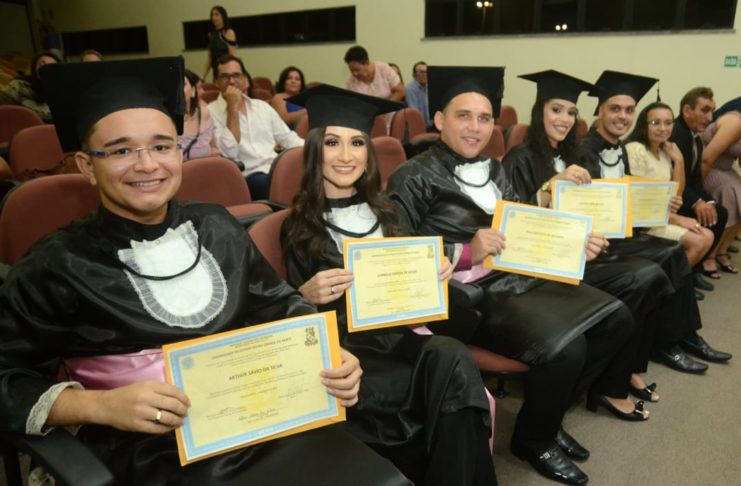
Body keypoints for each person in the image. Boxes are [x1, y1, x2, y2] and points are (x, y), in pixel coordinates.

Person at [0, 57, 411, 486]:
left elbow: (279, 303)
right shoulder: (58, 263)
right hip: (154, 446)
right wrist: (97, 406)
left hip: (260, 414)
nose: (147, 165)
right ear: (87, 166)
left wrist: (329, 352)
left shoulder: (216, 226)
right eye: (121, 150)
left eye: (162, 146)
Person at [387, 66, 636, 486]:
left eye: (485, 118)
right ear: (440, 120)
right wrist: (466, 250)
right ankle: (534, 438)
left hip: (514, 277)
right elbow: (396, 256)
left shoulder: (495, 168)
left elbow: (524, 226)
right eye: (464, 116)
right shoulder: (411, 176)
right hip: (463, 296)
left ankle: (547, 413)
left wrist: (574, 241)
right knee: (567, 350)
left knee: (617, 320)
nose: (475, 127)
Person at [281, 84, 496, 486]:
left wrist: (431, 272)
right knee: (450, 392)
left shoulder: (388, 212)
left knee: (451, 356)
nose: (346, 156)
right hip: (351, 352)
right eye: (332, 143)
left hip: (399, 336)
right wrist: (303, 294)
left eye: (357, 143)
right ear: (314, 151)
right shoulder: (299, 226)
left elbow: (410, 277)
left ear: (368, 152)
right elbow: (290, 319)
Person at [504, 70, 674, 408]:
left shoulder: (573, 156)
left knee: (650, 274)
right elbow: (513, 225)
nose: (564, 119)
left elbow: (586, 209)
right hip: (541, 265)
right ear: (539, 112)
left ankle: (614, 377)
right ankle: (605, 384)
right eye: (556, 110)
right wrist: (551, 186)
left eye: (571, 112)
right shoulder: (519, 158)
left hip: (578, 253)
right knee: (640, 277)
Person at [579, 70, 731, 373]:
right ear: (600, 111)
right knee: (668, 255)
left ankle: (685, 335)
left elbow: (627, 198)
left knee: (672, 253)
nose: (623, 116)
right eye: (615, 109)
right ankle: (668, 342)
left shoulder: (618, 149)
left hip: (623, 230)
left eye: (629, 110)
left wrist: (660, 205)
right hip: (599, 243)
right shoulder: (584, 151)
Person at [625, 102, 714, 270]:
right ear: (644, 125)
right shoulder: (636, 150)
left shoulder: (664, 151)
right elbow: (638, 202)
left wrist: (678, 160)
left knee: (707, 235)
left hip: (661, 216)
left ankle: (674, 280)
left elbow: (677, 194)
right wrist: (678, 219)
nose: (663, 128)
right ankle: (671, 282)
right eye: (655, 123)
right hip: (643, 222)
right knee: (701, 239)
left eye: (668, 123)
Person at [208, 54, 303, 200]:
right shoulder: (210, 112)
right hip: (247, 176)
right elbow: (229, 153)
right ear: (216, 82)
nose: (232, 81)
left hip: (275, 168)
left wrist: (315, 150)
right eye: (225, 76)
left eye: (236, 75)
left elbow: (288, 138)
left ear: (244, 79)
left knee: (311, 176)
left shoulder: (261, 107)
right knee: (276, 186)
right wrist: (232, 109)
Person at [670, 87, 729, 282]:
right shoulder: (676, 134)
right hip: (672, 202)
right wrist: (696, 203)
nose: (710, 118)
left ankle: (694, 269)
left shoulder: (694, 137)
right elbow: (673, 182)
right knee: (716, 214)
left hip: (685, 194)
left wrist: (708, 202)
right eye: (704, 110)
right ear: (687, 110)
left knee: (718, 211)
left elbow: (695, 181)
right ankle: (690, 273)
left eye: (712, 111)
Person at [699, 99, 741, 274]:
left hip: (725, 169)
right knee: (732, 191)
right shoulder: (735, 122)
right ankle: (710, 255)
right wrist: (697, 190)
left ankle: (722, 250)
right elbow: (707, 158)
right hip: (708, 168)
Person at [0, 50, 61, 122]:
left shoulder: (62, 90)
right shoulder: (19, 86)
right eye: (42, 64)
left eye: (51, 66)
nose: (45, 68)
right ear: (34, 68)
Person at [179, 69, 218, 160]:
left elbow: (214, 148)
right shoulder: (162, 120)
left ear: (193, 91)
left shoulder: (205, 114)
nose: (177, 89)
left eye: (183, 84)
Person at [201, 5, 237, 81]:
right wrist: (202, 77)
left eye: (216, 14)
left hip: (226, 72)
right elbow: (209, 57)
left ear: (223, 16)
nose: (213, 17)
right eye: (212, 15)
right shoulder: (211, 34)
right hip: (216, 72)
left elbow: (232, 56)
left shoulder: (229, 32)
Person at [405, 61, 432, 129]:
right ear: (414, 75)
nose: (425, 74)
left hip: (430, 126)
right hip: (417, 126)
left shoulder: (430, 87)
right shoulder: (410, 89)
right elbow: (414, 112)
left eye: (426, 72)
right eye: (422, 72)